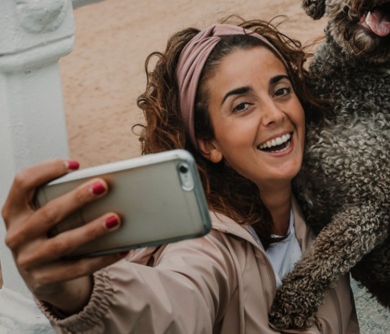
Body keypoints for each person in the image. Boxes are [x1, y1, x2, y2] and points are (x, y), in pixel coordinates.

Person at [2, 19, 359, 333]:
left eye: (281, 91)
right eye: (242, 105)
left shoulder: (322, 206)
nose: (274, 113)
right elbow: (170, 309)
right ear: (208, 143)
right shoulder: (207, 245)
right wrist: (79, 294)